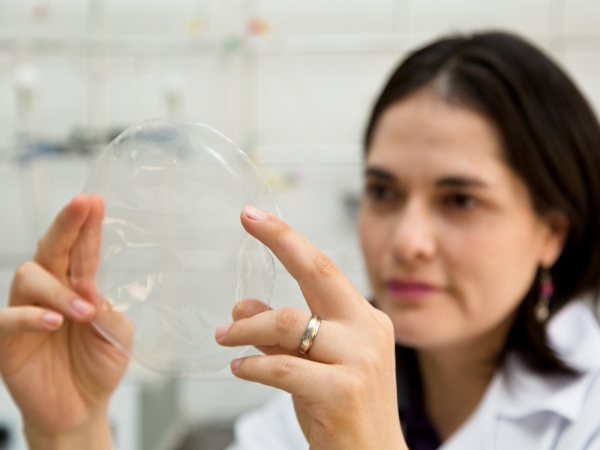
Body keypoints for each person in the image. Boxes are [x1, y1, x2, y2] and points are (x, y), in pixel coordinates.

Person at [2, 31, 600, 450]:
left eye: (460, 200)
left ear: (553, 232)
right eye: (384, 192)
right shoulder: (307, 404)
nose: (408, 240)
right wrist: (69, 431)